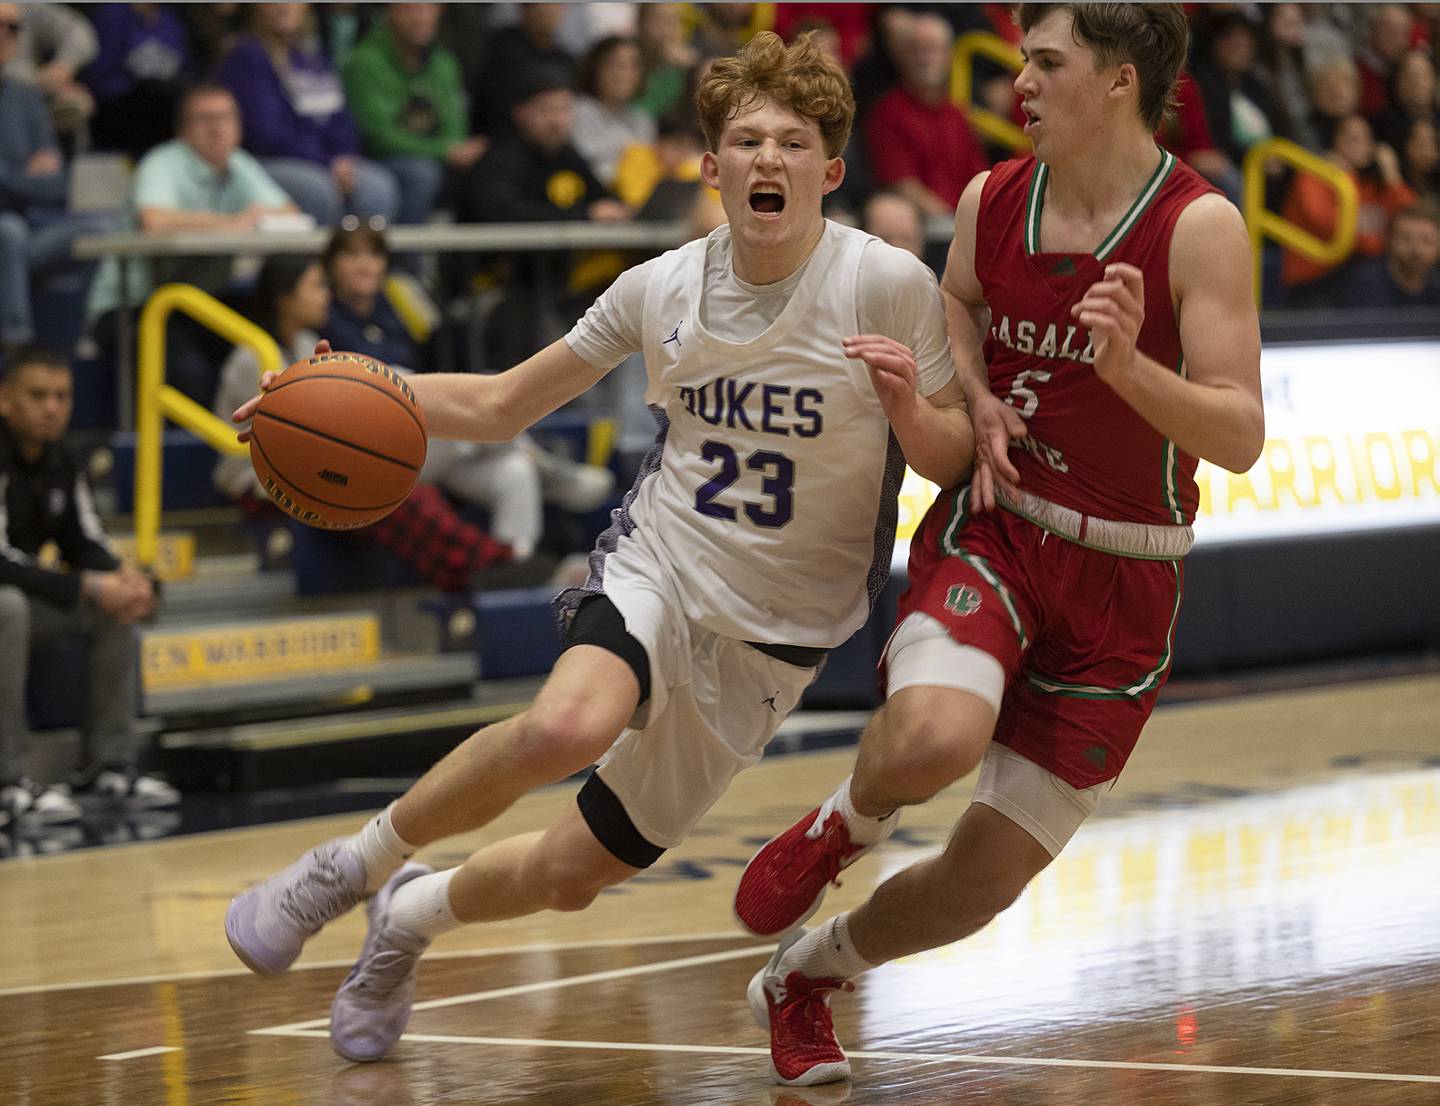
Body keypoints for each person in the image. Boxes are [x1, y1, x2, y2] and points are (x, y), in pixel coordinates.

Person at [222, 30, 971, 1068]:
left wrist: (905, 404)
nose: (768, 159)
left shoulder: (886, 283)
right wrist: (346, 381)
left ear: (829, 171)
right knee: (566, 723)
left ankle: (408, 915)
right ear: (709, 168)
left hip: (778, 633)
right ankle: (347, 865)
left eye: (793, 142)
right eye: (745, 140)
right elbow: (495, 405)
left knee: (573, 872)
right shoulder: (657, 286)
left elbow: (954, 448)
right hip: (661, 561)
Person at [731, 4, 1264, 1086]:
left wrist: (1130, 374)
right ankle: (845, 821)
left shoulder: (1199, 226)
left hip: (1128, 576)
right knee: (934, 732)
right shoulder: (991, 198)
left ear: (1119, 80)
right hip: (1002, 531)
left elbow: (1241, 433)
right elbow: (958, 305)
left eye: (1046, 63)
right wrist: (970, 393)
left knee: (982, 884)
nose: (1019, 81)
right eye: (1024, 59)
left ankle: (807, 975)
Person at [211, 253, 515, 590]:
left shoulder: (303, 344)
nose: (326, 294)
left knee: (400, 487)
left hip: (315, 466)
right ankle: (485, 567)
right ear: (284, 299)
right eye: (315, 286)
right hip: (260, 482)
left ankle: (488, 566)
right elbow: (293, 437)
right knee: (391, 496)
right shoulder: (252, 356)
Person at [0, 344, 178, 827]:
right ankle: (6, 783)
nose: (52, 407)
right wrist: (88, 586)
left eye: (62, 396)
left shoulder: (62, 458)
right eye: (38, 395)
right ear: (5, 399)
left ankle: (109, 764)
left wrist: (127, 581)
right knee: (9, 607)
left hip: (20, 601)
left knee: (112, 605)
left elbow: (84, 540)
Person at [83, 83, 297, 403]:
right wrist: (234, 223)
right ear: (184, 129)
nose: (218, 128)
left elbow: (288, 212)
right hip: (131, 306)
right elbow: (153, 221)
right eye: (206, 119)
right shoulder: (164, 162)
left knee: (272, 331)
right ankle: (184, 450)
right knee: (187, 372)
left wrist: (250, 218)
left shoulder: (239, 164)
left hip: (200, 303)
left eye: (226, 117)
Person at [214, 2, 400, 228]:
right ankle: (313, 264)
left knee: (379, 188)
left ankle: (362, 261)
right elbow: (266, 133)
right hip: (267, 161)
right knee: (318, 191)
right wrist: (326, 163)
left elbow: (342, 119)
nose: (284, 6)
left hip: (325, 163)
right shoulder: (246, 56)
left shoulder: (313, 56)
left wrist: (345, 157)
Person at [0, 4, 113, 349]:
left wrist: (12, 179)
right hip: (12, 228)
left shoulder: (26, 97)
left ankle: (93, 332)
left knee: (105, 227)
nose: (5, 35)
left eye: (14, 28)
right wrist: (27, 176)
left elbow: (59, 186)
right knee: (9, 232)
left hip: (34, 226)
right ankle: (17, 347)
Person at [341, 3, 486, 226]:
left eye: (428, 8)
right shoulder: (365, 61)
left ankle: (466, 259)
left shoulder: (445, 63)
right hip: (378, 159)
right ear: (391, 12)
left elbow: (455, 127)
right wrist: (444, 151)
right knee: (421, 174)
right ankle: (406, 257)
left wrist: (454, 150)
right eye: (410, 9)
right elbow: (379, 137)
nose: (420, 18)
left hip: (433, 158)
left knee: (488, 169)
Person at [865, 13, 989, 219]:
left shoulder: (957, 114)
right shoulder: (888, 111)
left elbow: (979, 178)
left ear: (949, 56)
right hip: (921, 229)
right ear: (903, 58)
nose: (924, 58)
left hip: (962, 224)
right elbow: (904, 187)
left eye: (932, 49)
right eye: (915, 50)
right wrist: (957, 221)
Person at [572, 35, 656, 187]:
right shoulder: (577, 113)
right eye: (616, 65)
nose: (625, 74)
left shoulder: (642, 119)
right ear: (596, 69)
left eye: (633, 66)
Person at [1344, 202, 1440, 307]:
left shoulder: (1436, 288)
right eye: (1406, 239)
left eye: (1426, 241)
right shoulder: (1364, 285)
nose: (1416, 250)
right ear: (1389, 241)